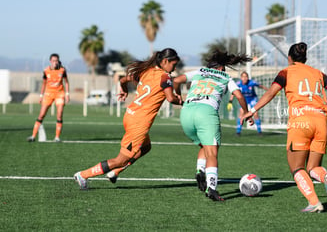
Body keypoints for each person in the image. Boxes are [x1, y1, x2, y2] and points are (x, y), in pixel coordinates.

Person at [241, 42, 327, 212]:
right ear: (305, 58)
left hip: (300, 122)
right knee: (313, 167)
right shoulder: (317, 73)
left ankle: (314, 202)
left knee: (297, 168)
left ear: (289, 58)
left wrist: (252, 111)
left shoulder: (286, 72)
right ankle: (324, 176)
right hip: (321, 121)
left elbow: (270, 93)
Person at [74, 48, 182, 190]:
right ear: (165, 61)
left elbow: (124, 79)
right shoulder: (165, 77)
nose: (174, 69)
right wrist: (183, 102)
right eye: (173, 65)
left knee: (146, 147)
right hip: (139, 123)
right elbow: (171, 98)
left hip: (130, 114)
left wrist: (123, 88)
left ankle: (115, 172)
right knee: (121, 159)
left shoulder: (147, 71)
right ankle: (83, 175)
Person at [173, 49, 253, 201]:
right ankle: (212, 189)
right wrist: (246, 111)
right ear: (221, 68)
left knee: (205, 145)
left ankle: (200, 170)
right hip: (206, 113)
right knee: (212, 153)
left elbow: (176, 81)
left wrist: (177, 94)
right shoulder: (226, 77)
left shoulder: (198, 71)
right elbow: (239, 95)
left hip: (186, 113)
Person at [27, 53, 70, 142]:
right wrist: (41, 95)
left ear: (58, 61)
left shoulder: (62, 70)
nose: (55, 62)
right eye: (53, 61)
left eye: (56, 61)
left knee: (59, 114)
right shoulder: (46, 71)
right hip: (48, 94)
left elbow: (66, 82)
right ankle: (33, 136)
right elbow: (44, 83)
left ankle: (57, 137)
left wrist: (67, 94)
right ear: (50, 61)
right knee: (41, 114)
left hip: (59, 93)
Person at [228, 71, 268, 136]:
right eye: (243, 77)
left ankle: (259, 131)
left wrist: (269, 90)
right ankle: (238, 132)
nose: (245, 78)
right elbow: (234, 92)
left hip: (252, 99)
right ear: (241, 78)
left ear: (248, 77)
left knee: (255, 113)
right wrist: (230, 101)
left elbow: (261, 86)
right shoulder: (238, 84)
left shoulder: (252, 82)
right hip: (244, 100)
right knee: (241, 113)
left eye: (246, 77)